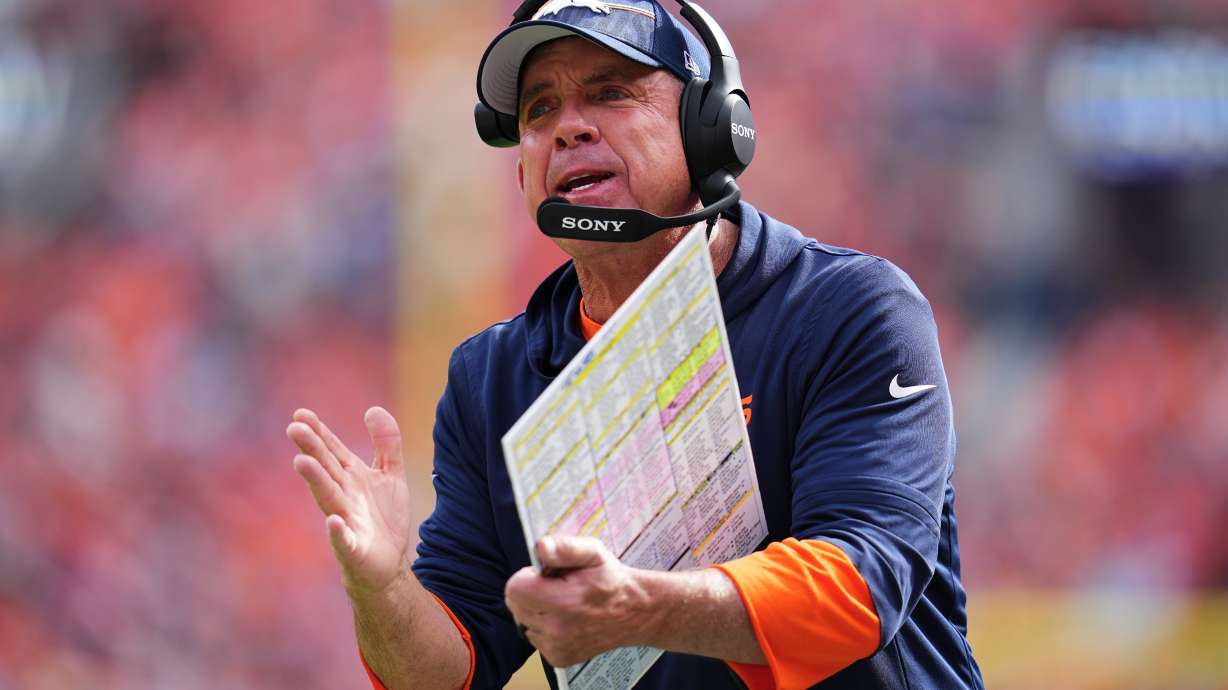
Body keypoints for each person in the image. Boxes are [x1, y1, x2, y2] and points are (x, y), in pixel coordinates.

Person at [285, 1, 984, 688]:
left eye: (612, 92)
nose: (567, 129)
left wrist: (636, 608)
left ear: (711, 128)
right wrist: (381, 588)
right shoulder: (489, 380)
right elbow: (448, 673)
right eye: (538, 111)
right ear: (522, 170)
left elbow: (858, 586)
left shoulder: (849, 308)